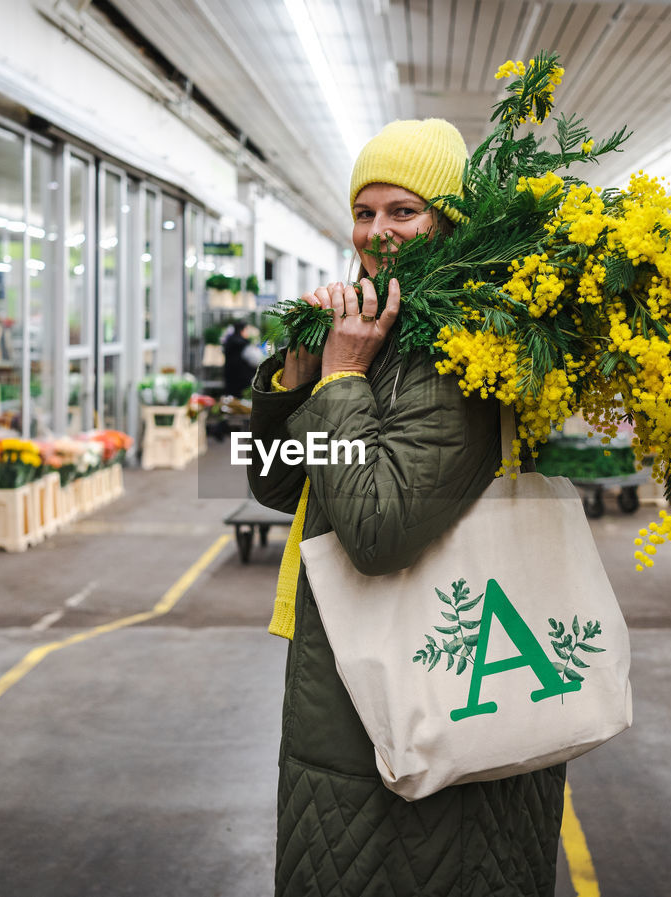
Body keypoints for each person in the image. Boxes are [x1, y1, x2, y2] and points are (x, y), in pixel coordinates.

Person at [247, 119, 566, 897]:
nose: (377, 232)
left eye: (404, 210)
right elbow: (275, 482)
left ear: (450, 219)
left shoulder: (460, 352)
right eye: (365, 211)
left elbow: (379, 530)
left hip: (424, 697)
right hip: (353, 699)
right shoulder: (377, 327)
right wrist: (295, 382)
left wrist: (343, 380)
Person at [221, 319, 255, 400]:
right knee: (240, 399)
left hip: (230, 374)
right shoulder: (242, 342)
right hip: (240, 377)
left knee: (232, 398)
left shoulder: (229, 340)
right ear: (242, 330)